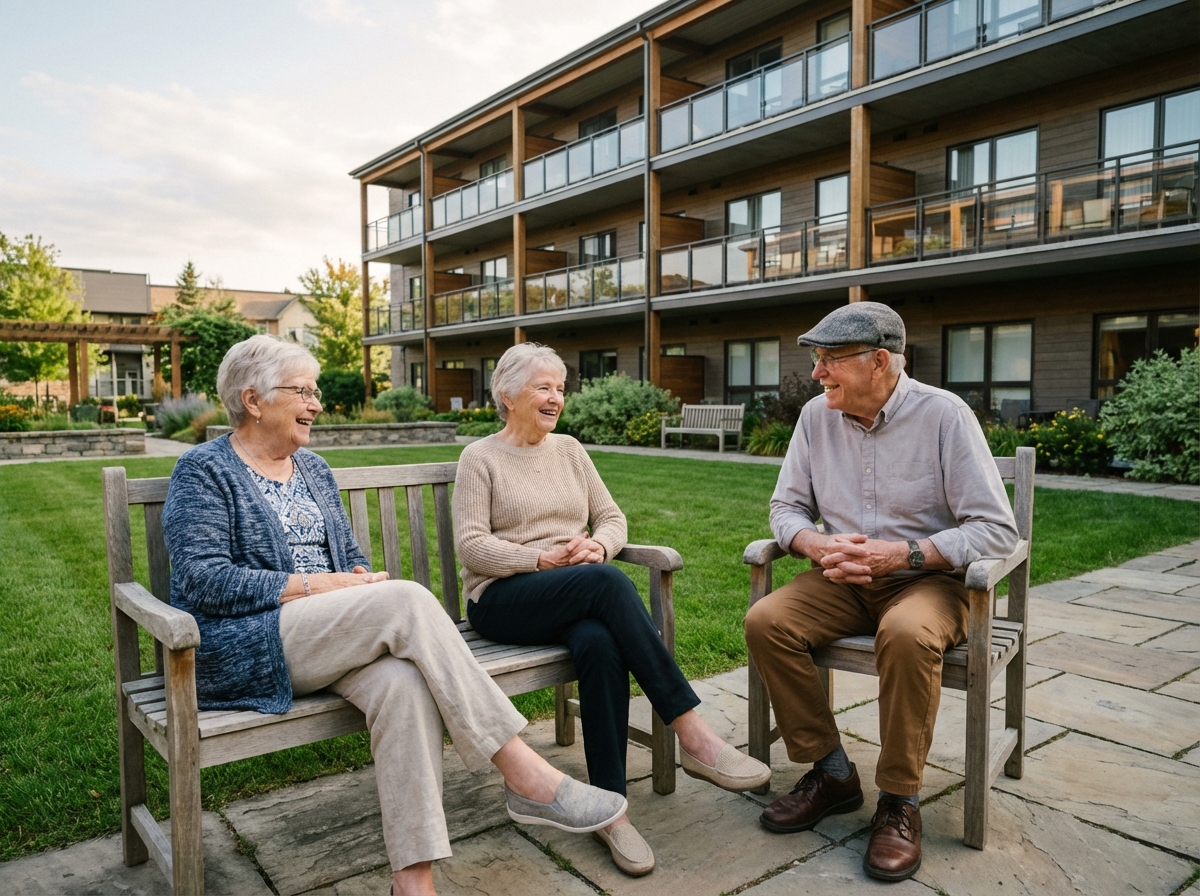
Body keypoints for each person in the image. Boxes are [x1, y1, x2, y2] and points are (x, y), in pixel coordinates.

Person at [161, 335, 627, 896]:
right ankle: (525, 773)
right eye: (302, 391)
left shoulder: (311, 468)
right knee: (406, 599)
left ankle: (413, 884)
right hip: (249, 645)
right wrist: (316, 585)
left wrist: (357, 579)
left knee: (404, 683)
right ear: (253, 399)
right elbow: (200, 580)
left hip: (329, 634)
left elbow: (348, 558)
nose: (316, 403)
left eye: (316, 391)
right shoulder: (203, 470)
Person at [452, 342, 771, 878]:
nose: (556, 397)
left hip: (573, 587)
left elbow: (612, 517)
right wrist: (541, 558)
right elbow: (471, 545)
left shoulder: (570, 450)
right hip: (503, 597)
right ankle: (693, 733)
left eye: (560, 387)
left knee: (600, 643)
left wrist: (598, 546)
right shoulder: (479, 458)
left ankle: (610, 811)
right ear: (507, 396)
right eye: (543, 387)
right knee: (604, 584)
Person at [744, 302, 1018, 882]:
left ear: (880, 362)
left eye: (830, 360)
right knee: (767, 621)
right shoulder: (816, 418)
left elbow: (996, 529)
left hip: (931, 581)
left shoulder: (944, 416)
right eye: (816, 360)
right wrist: (815, 546)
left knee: (904, 633)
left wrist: (904, 554)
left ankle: (900, 800)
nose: (818, 374)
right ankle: (834, 772)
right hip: (843, 579)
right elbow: (785, 506)